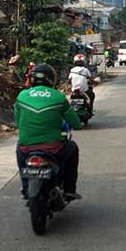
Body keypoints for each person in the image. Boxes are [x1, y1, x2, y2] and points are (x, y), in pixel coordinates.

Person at [14, 63, 82, 200]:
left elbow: (17, 121)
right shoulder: (58, 97)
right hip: (53, 148)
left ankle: (25, 185)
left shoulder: (21, 96)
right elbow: (76, 123)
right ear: (52, 79)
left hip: (26, 147)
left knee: (19, 149)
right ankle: (69, 189)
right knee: (72, 148)